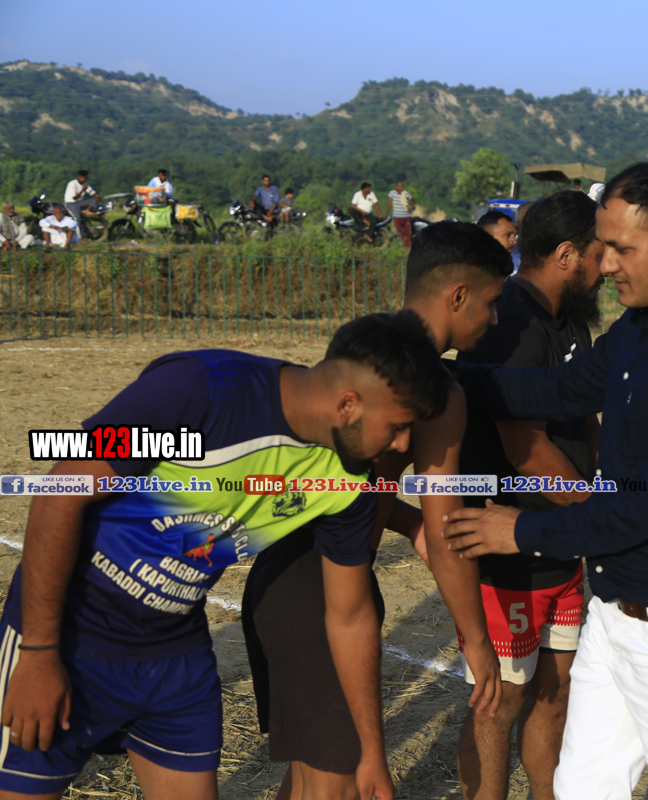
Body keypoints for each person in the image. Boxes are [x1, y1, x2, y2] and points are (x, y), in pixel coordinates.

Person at [0, 313, 453, 800]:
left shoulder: (348, 483)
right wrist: (39, 653)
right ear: (347, 405)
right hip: (72, 641)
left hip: (176, 661)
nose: (402, 445)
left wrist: (369, 750)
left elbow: (351, 615)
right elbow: (60, 493)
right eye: (398, 427)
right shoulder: (201, 391)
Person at [444, 162, 648, 800]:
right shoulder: (642, 325)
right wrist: (442, 376)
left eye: (621, 249)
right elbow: (559, 389)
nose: (604, 266)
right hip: (619, 612)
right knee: (581, 788)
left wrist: (520, 531)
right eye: (602, 249)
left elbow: (647, 507)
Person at [244, 221, 511, 800]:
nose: (494, 319)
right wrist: (477, 640)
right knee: (337, 784)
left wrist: (404, 519)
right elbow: (445, 528)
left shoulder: (360, 351)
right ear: (458, 296)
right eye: (492, 302)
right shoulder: (438, 391)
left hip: (280, 573)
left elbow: (339, 481)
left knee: (312, 776)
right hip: (323, 590)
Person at [454, 191, 605, 800]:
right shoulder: (510, 321)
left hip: (562, 545)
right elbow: (527, 451)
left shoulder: (572, 318)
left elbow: (585, 420)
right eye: (600, 253)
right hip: (509, 552)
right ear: (567, 254)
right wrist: (601, 517)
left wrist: (601, 490)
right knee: (502, 699)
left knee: (555, 690)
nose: (609, 266)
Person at [388, 178, 414, 248]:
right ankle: (404, 245)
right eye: (400, 186)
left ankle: (407, 247)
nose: (401, 187)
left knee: (407, 233)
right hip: (397, 217)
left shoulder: (406, 194)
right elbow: (389, 203)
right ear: (396, 187)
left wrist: (411, 209)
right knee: (399, 233)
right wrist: (386, 214)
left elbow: (412, 200)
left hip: (406, 217)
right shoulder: (392, 193)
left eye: (402, 186)